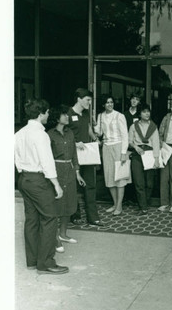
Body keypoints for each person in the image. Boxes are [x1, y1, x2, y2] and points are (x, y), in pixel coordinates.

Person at [14, 99, 69, 275]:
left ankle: (32, 260)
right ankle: (46, 263)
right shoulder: (41, 134)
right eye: (46, 113)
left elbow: (16, 158)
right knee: (50, 218)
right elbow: (47, 162)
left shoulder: (19, 133)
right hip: (38, 181)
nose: (47, 116)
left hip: (24, 179)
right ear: (40, 114)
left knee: (31, 220)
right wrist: (56, 185)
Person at [47, 105, 86, 252]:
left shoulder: (70, 133)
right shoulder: (49, 135)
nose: (67, 117)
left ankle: (63, 234)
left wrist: (77, 173)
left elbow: (75, 155)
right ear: (57, 118)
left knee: (69, 203)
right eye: (64, 115)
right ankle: (55, 238)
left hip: (69, 170)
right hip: (56, 171)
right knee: (57, 204)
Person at [67, 88, 103, 227]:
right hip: (72, 154)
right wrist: (75, 143)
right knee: (74, 186)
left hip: (87, 153)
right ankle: (74, 216)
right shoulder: (68, 114)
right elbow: (64, 133)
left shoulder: (87, 113)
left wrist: (95, 139)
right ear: (79, 99)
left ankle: (93, 217)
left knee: (90, 184)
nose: (89, 102)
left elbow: (88, 128)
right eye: (88, 100)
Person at [95, 94, 130, 215]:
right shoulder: (100, 116)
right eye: (107, 102)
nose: (110, 104)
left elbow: (125, 135)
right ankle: (115, 204)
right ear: (103, 104)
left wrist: (124, 152)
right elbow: (99, 133)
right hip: (106, 147)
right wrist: (94, 127)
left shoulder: (119, 116)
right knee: (109, 177)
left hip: (118, 146)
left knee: (119, 177)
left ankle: (119, 206)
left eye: (111, 102)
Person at [129, 103, 160, 214]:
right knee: (139, 182)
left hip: (150, 154)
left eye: (148, 111)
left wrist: (156, 159)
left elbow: (156, 143)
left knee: (149, 183)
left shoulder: (153, 127)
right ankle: (143, 207)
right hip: (137, 154)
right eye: (144, 112)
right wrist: (136, 147)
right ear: (140, 113)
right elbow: (130, 141)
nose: (147, 114)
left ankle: (145, 204)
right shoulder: (134, 126)